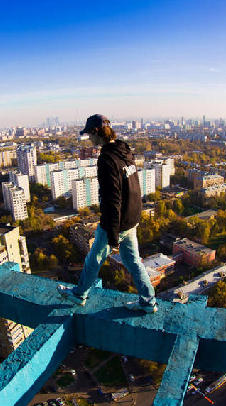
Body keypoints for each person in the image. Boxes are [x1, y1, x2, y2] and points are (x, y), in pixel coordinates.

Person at [57, 114, 158, 313]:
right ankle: (148, 301)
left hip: (117, 221)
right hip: (132, 216)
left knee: (94, 258)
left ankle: (79, 295)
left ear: (96, 133)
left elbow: (112, 198)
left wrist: (112, 234)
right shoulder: (123, 150)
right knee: (133, 260)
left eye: (89, 135)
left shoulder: (106, 159)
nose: (89, 140)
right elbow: (134, 186)